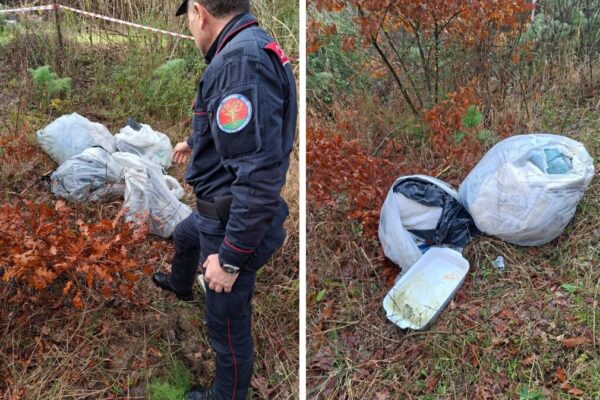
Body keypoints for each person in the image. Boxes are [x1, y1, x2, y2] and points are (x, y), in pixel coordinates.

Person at [151, 0, 296, 399]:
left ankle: (227, 394)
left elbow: (258, 177)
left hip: (230, 220)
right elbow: (239, 129)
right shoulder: (247, 47)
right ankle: (180, 286)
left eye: (189, 19)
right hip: (214, 210)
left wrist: (229, 259)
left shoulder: (239, 64)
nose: (190, 27)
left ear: (199, 13)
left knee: (226, 325)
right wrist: (194, 141)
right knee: (184, 235)